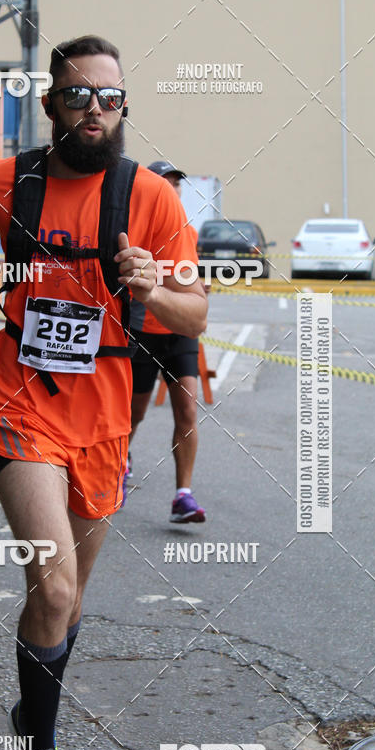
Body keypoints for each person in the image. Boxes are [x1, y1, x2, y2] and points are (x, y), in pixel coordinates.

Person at [0, 35, 208, 750]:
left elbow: (196, 317)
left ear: (124, 107)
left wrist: (154, 286)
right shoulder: (6, 184)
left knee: (68, 599)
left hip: (107, 410)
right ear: (51, 103)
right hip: (18, 397)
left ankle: (34, 705)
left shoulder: (151, 200)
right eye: (79, 95)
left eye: (110, 97)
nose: (95, 109)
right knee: (52, 589)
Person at [126, 160, 206, 523]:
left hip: (180, 334)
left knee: (187, 410)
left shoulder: (188, 229)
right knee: (133, 414)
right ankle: (119, 464)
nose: (172, 189)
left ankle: (183, 496)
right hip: (143, 332)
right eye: (165, 183)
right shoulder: (137, 226)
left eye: (177, 184)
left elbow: (191, 278)